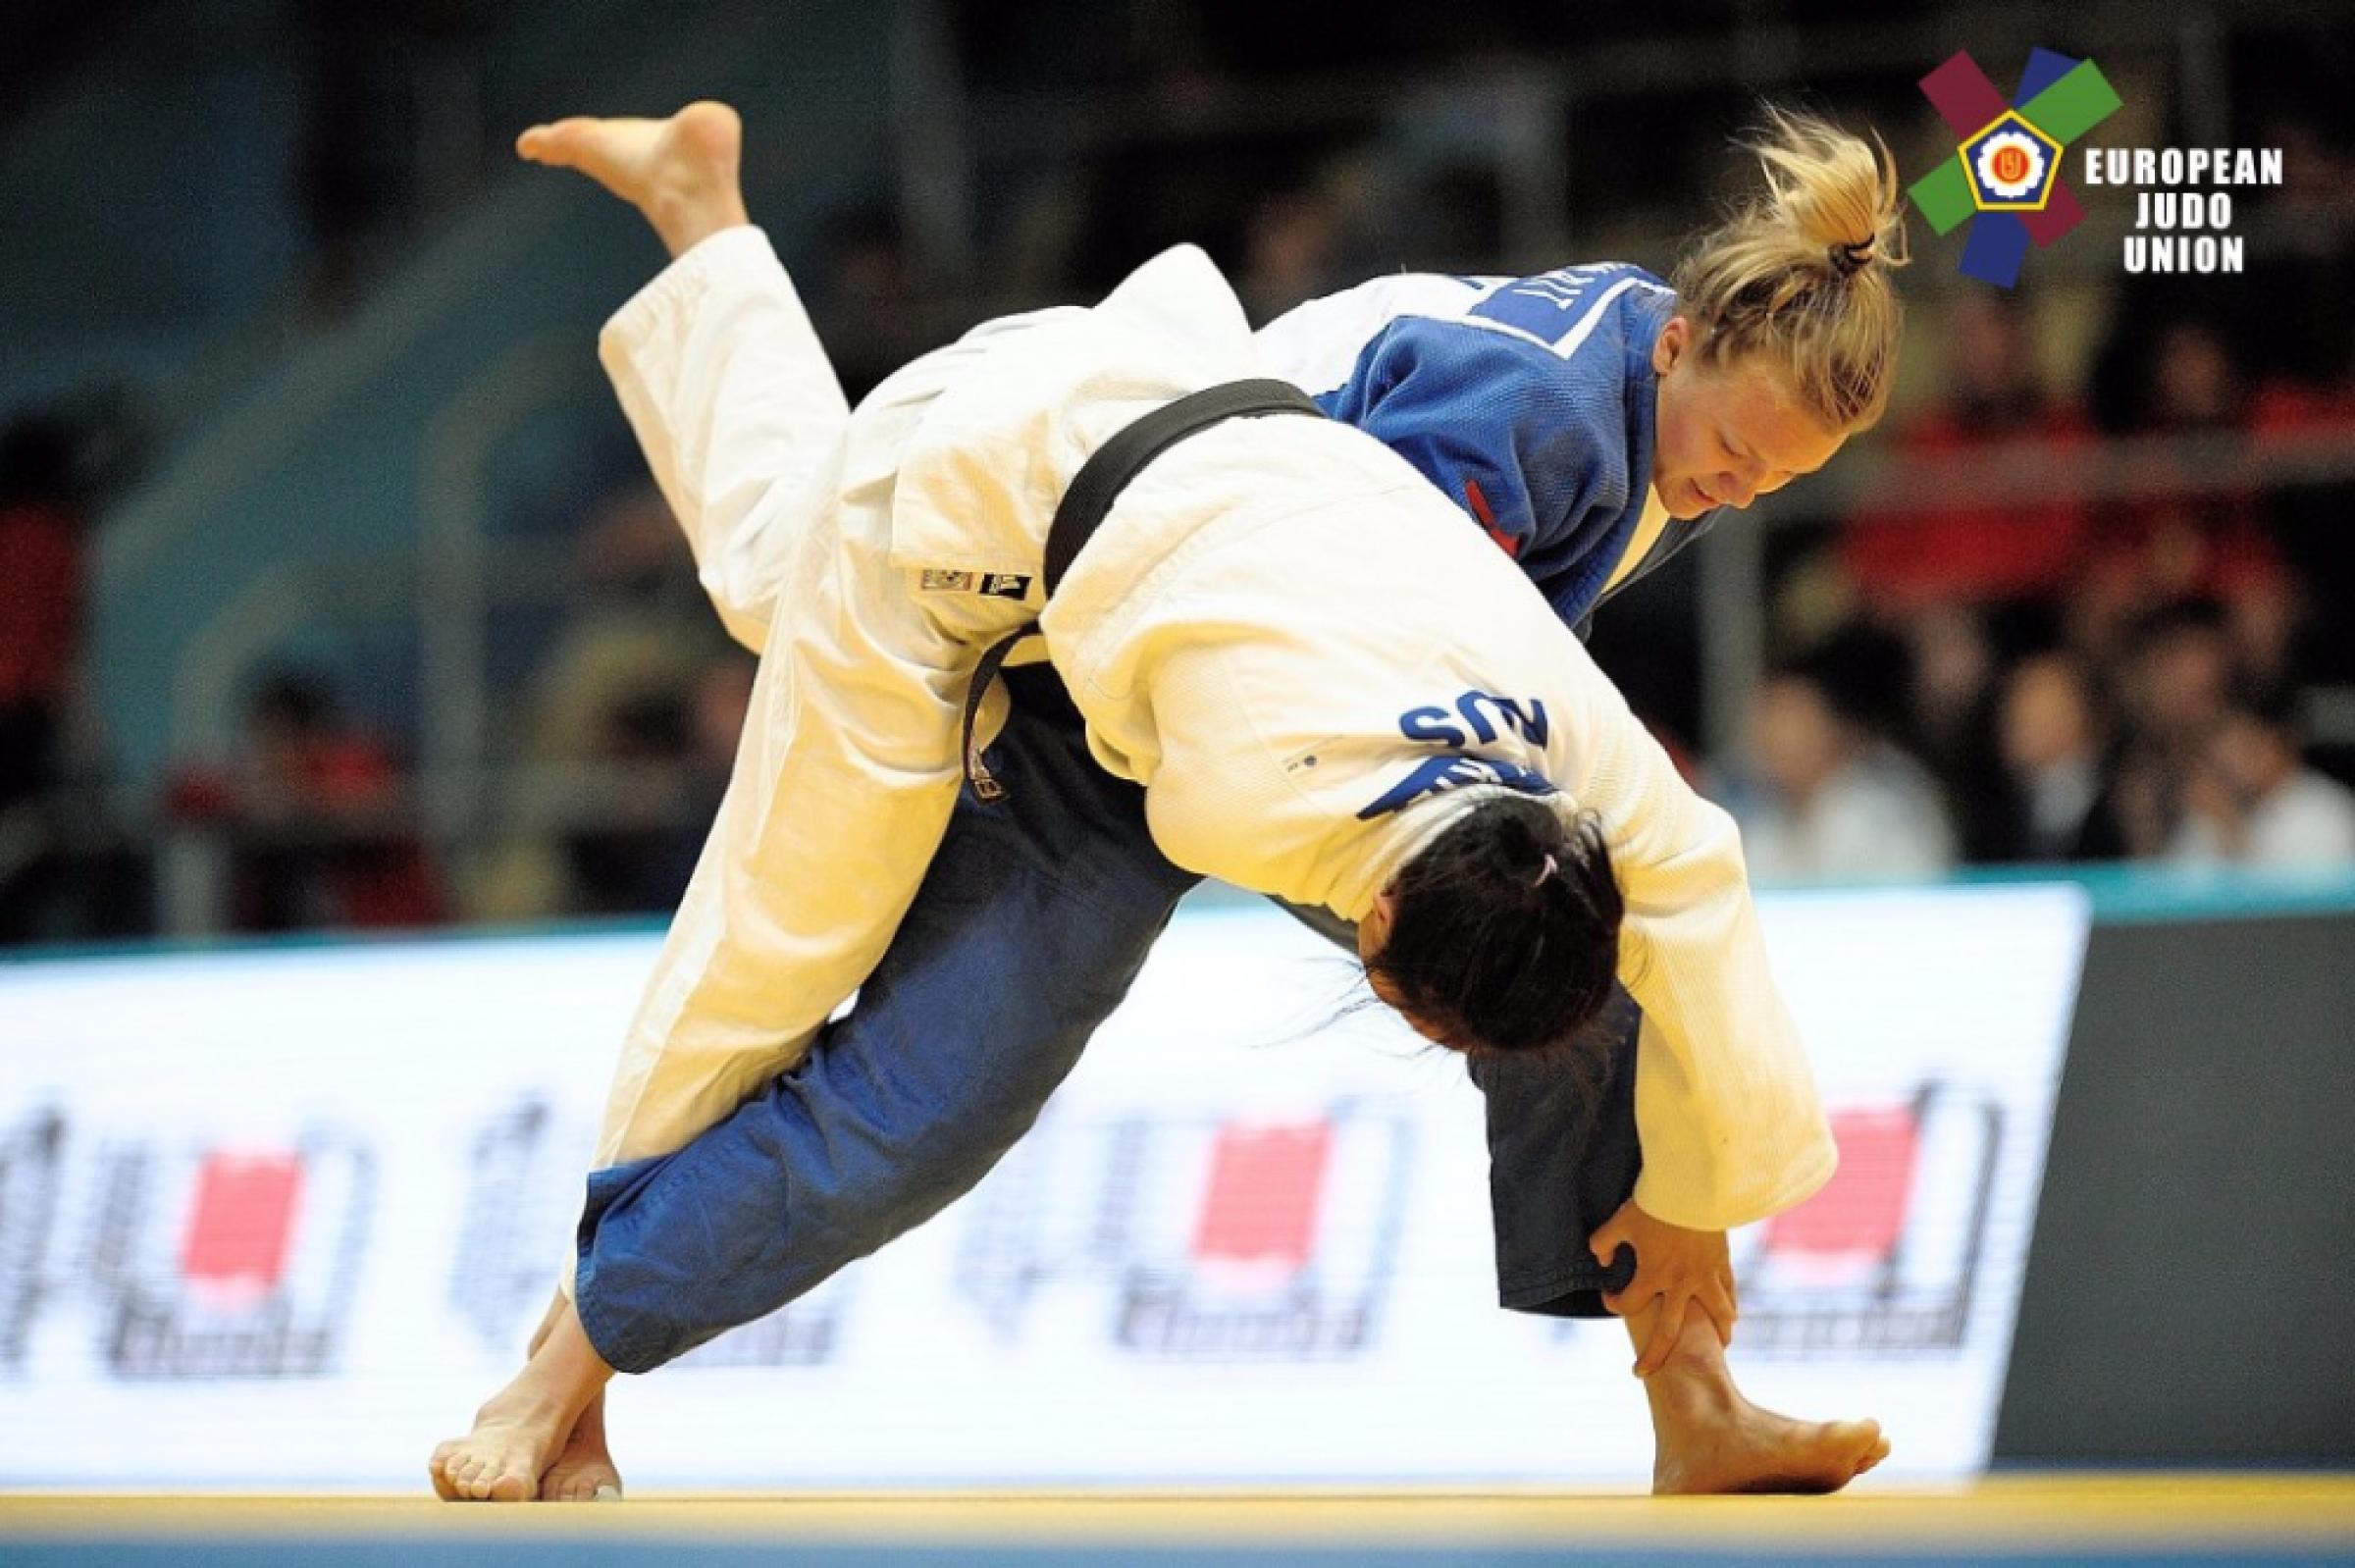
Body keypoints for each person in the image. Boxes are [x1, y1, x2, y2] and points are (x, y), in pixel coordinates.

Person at [435, 99, 1907, 1501]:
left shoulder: (1642, 392)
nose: (1736, 492)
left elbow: (1665, 860)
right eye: (1737, 455)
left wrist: (1698, 1187)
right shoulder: (1520, 430)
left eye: (1773, 483)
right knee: (832, 1010)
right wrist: (1679, 1147)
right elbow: (1339, 668)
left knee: (1577, 963)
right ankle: (560, 1368)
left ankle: (1693, 1403)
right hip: (1015, 570)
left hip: (1168, 536)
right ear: (1680, 341)